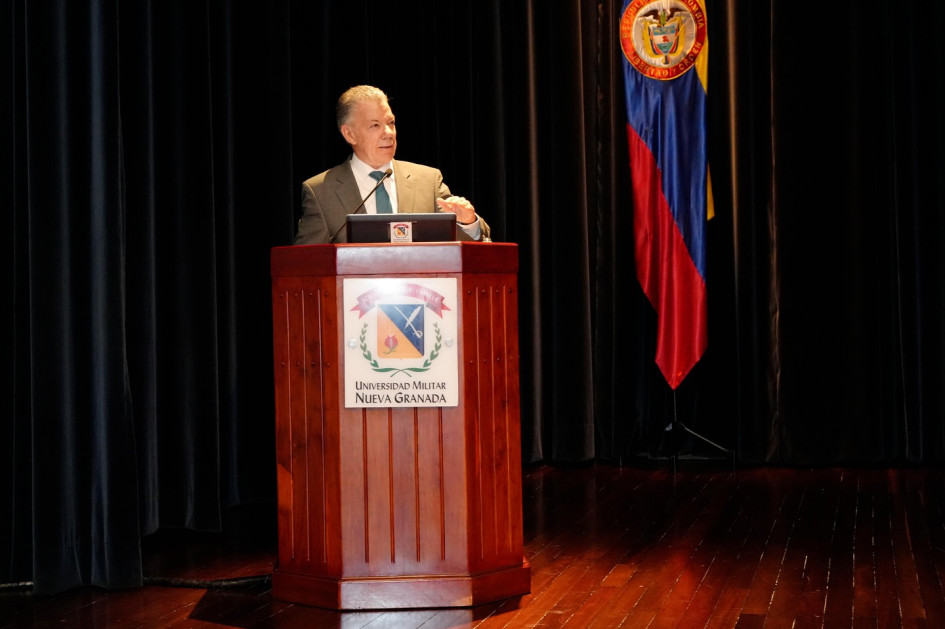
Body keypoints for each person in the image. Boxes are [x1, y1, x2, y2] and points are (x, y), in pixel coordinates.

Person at [294, 85, 491, 245]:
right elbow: (305, 263)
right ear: (349, 134)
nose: (388, 132)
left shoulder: (427, 181)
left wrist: (468, 222)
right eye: (375, 125)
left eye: (391, 123)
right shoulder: (321, 191)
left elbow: (471, 242)